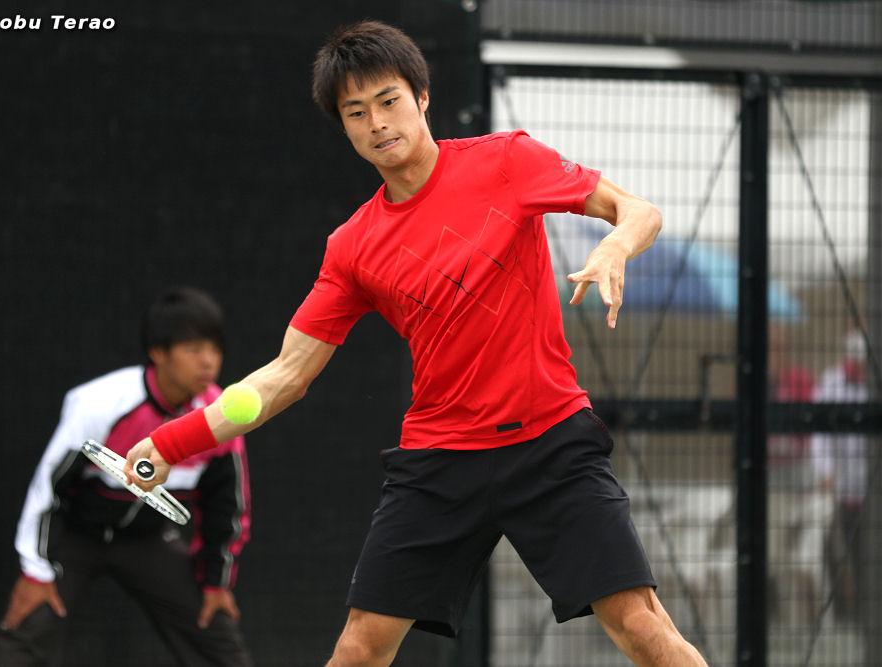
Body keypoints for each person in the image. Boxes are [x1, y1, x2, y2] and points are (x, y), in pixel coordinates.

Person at [125, 21, 706, 666]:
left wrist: (615, 245)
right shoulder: (352, 248)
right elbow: (286, 374)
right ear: (344, 128)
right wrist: (170, 443)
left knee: (640, 627)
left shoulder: (508, 161)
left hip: (551, 443)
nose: (377, 123)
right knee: (360, 648)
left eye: (389, 100)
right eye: (356, 112)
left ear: (422, 97)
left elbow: (638, 210)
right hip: (440, 461)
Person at [0, 287, 254, 667]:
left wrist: (216, 583)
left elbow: (226, 508)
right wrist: (35, 571)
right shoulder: (100, 403)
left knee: (214, 622)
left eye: (215, 349)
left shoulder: (221, 416)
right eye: (193, 349)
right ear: (158, 353)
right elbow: (47, 488)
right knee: (31, 619)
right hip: (78, 536)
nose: (208, 361)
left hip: (149, 540)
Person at [811, 329, 870, 623]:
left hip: (869, 489)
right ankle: (844, 615)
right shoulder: (832, 383)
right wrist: (825, 470)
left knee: (867, 553)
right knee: (837, 551)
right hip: (840, 488)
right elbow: (819, 434)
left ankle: (866, 613)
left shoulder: (871, 385)